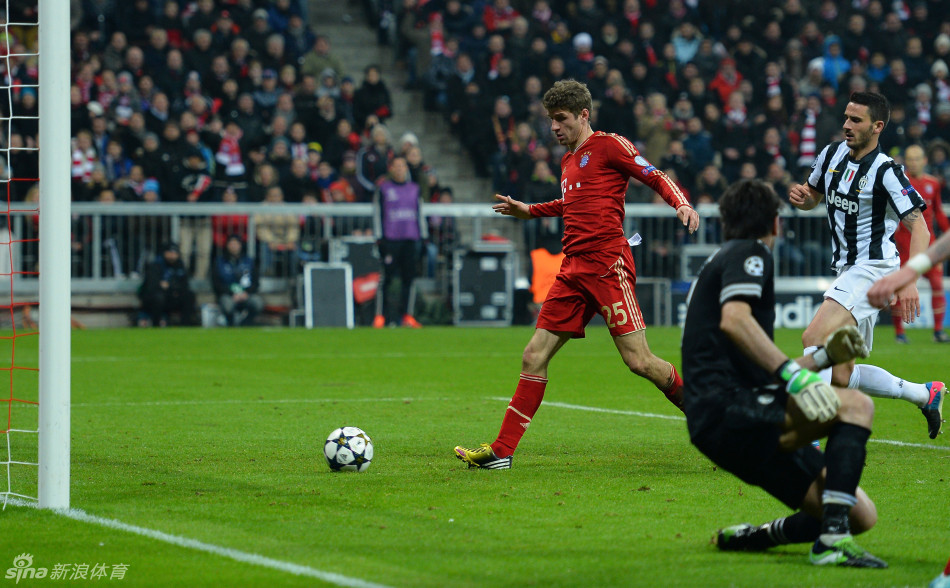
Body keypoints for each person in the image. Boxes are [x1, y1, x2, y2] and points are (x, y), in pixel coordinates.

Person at [454, 79, 700, 470]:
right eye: (551, 119)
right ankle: (502, 451)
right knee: (533, 355)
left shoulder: (608, 145)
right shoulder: (568, 159)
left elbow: (653, 173)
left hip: (607, 265)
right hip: (572, 270)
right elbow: (572, 203)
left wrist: (682, 203)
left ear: (583, 115)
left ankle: (709, 419)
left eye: (561, 119)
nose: (554, 127)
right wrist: (530, 210)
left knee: (639, 362)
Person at [682, 178, 884, 568]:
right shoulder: (750, 252)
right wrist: (796, 377)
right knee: (855, 406)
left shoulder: (726, 255)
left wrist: (823, 359)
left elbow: (756, 364)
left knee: (862, 514)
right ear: (775, 223)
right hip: (728, 408)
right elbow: (735, 320)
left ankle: (756, 537)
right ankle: (832, 541)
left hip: (731, 416)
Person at [788, 91, 944, 439]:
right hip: (847, 269)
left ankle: (810, 438)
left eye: (855, 120)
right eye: (846, 117)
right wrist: (802, 199)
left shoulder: (887, 171)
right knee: (841, 372)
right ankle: (925, 394)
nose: (846, 125)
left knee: (814, 337)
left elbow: (920, 226)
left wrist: (907, 279)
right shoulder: (830, 155)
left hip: (873, 268)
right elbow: (812, 197)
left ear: (877, 127)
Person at [891, 144, 950, 343]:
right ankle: (900, 333)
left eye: (917, 158)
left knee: (936, 284)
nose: (913, 162)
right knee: (899, 288)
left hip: (930, 248)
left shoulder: (932, 184)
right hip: (903, 248)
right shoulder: (898, 182)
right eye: (909, 158)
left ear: (925, 161)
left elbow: (939, 214)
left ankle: (938, 331)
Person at [372, 156, 426, 329]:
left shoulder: (414, 189)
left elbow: (420, 213)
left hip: (410, 239)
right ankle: (381, 316)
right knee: (386, 279)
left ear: (406, 168)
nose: (399, 169)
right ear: (391, 169)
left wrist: (423, 237)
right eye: (396, 166)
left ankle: (407, 316)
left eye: (402, 166)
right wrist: (379, 238)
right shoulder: (384, 189)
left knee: (408, 280)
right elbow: (377, 213)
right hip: (390, 239)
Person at [137, 242, 196, 327]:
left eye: (175, 253)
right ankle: (156, 324)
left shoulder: (180, 265)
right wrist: (171, 286)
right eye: (170, 253)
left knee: (189, 296)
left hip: (172, 295)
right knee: (158, 297)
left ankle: (185, 325)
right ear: (165, 253)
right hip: (155, 298)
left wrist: (171, 286)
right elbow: (153, 285)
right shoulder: (156, 265)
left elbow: (184, 284)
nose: (173, 255)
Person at [212, 235, 264, 327]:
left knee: (257, 302)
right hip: (228, 295)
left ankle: (246, 324)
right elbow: (216, 283)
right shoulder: (220, 262)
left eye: (236, 244)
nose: (234, 246)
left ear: (240, 245)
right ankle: (231, 324)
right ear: (227, 245)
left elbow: (256, 282)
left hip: (246, 294)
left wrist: (246, 293)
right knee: (227, 304)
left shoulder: (249, 261)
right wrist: (231, 293)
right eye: (231, 244)